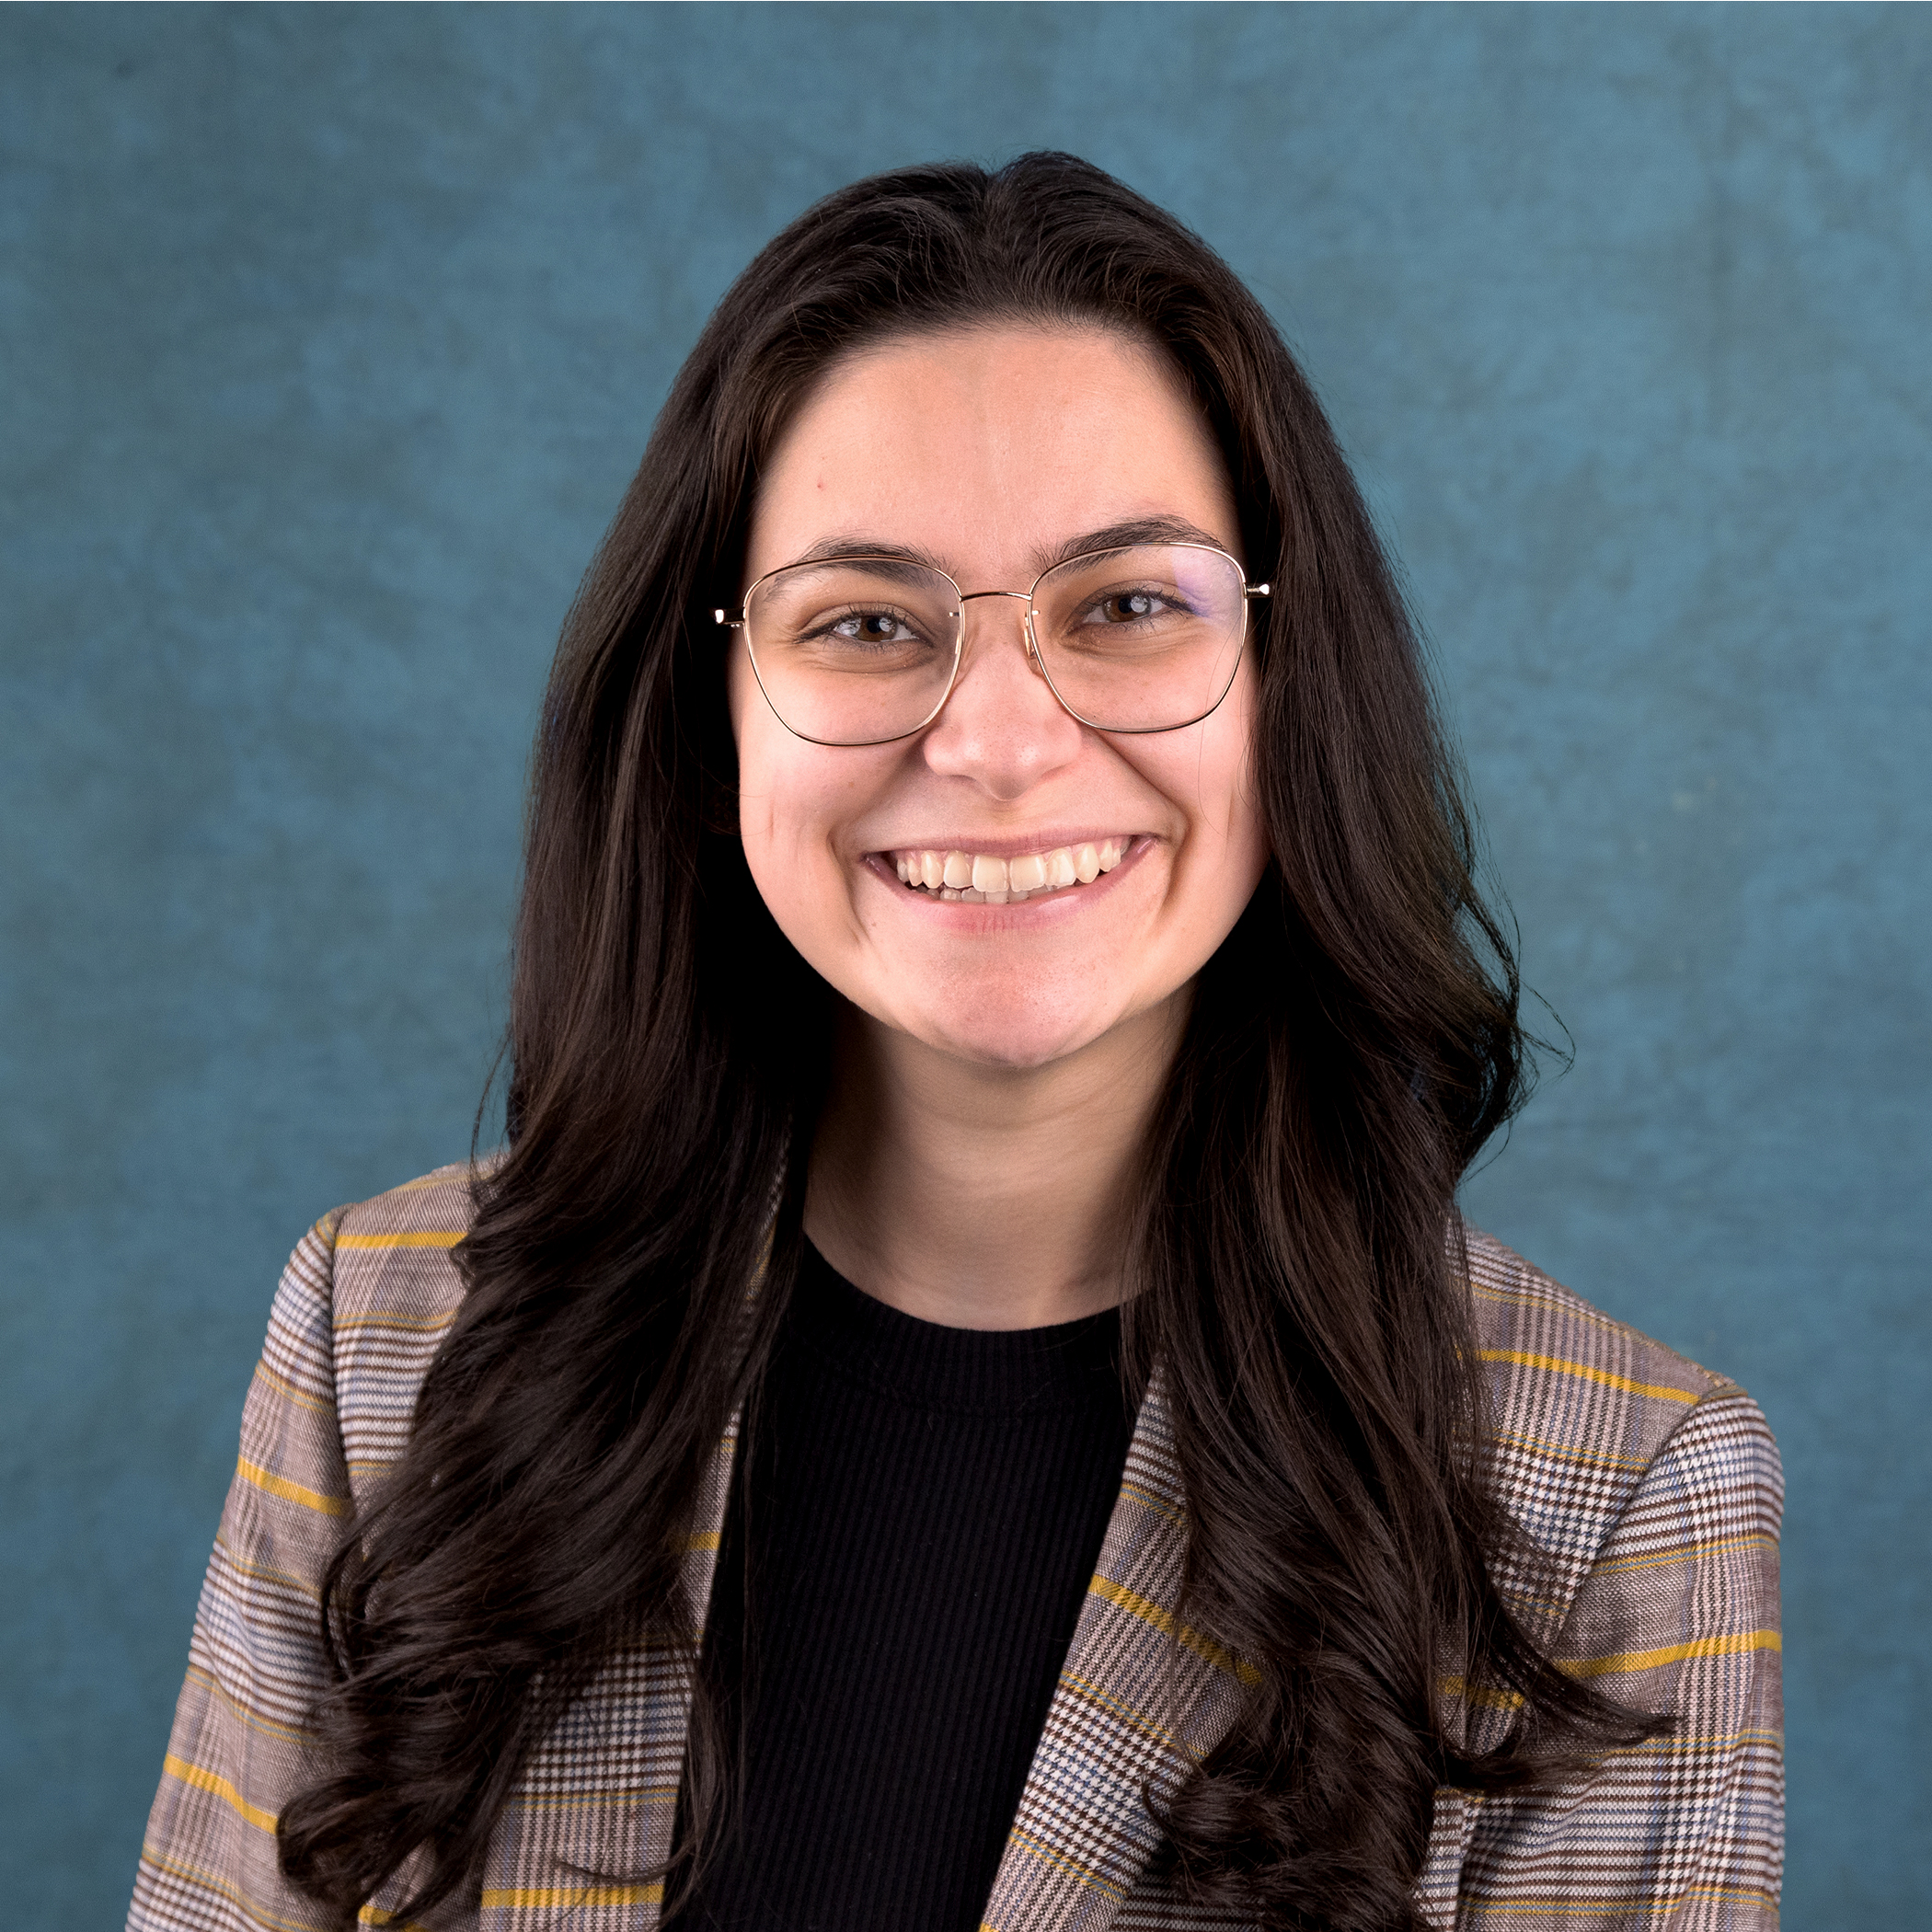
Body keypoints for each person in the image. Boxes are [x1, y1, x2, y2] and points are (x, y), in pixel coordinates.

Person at [129, 154, 1783, 1932]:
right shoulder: (378, 1356)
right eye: (863, 624)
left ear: (1294, 697)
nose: (999, 741)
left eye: (1129, 606)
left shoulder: (1620, 1505)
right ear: (710, 729)